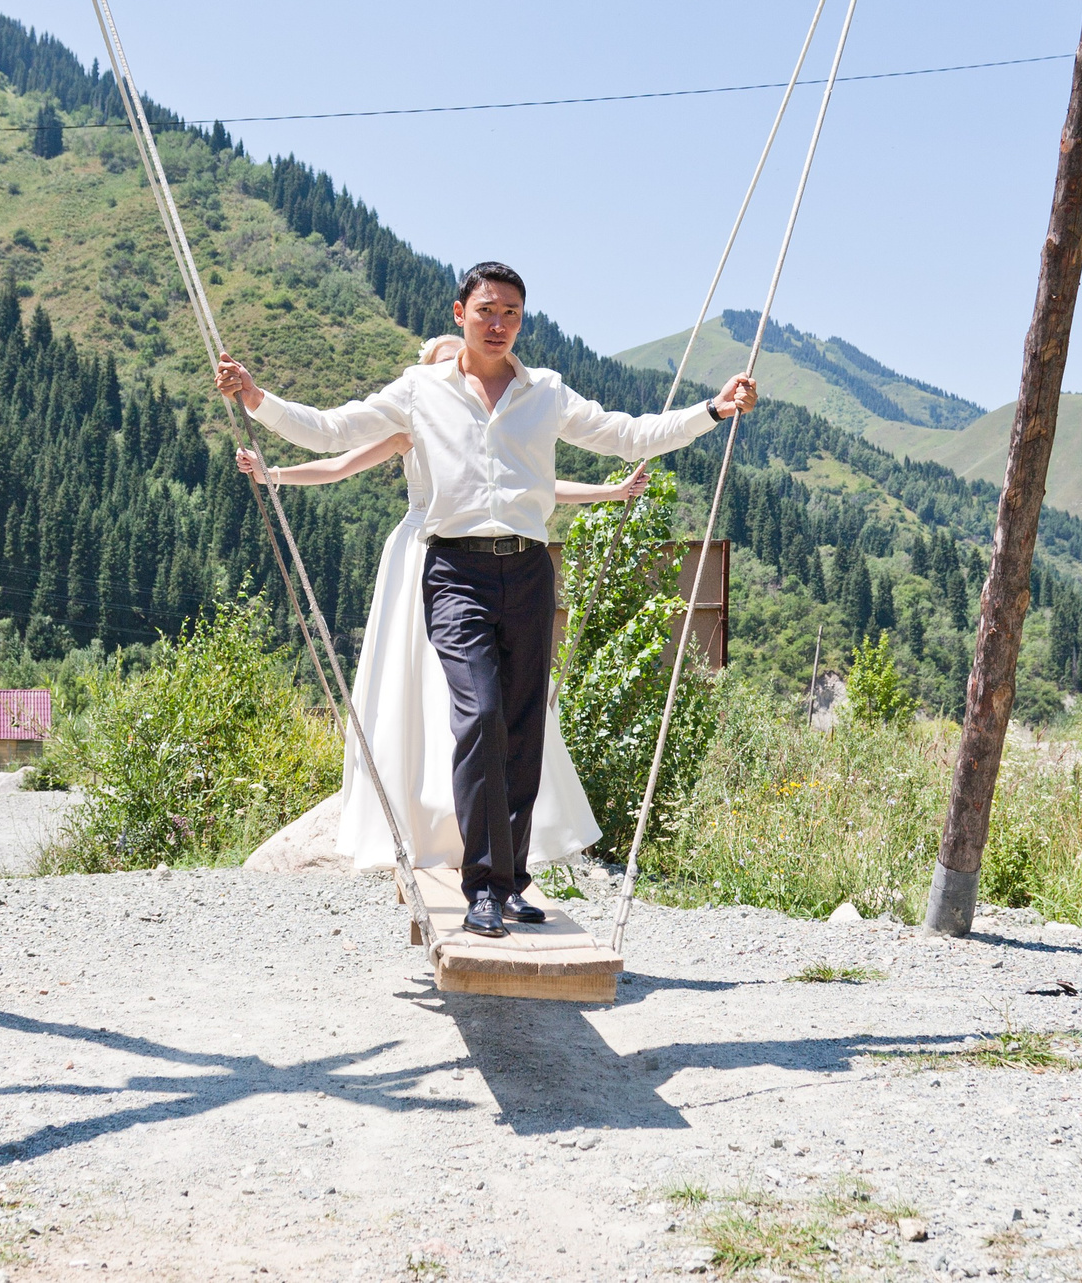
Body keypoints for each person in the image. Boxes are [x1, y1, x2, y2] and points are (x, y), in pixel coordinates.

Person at [216, 261, 756, 937]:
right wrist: (256, 396)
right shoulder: (419, 391)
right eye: (487, 311)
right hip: (454, 570)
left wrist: (713, 410)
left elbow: (627, 434)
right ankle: (481, 887)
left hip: (529, 570)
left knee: (524, 729)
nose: (499, 325)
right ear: (458, 313)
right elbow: (331, 432)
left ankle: (510, 877)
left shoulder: (547, 392)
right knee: (480, 717)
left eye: (512, 314)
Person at [235, 334, 649, 883]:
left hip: (484, 560)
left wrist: (608, 491)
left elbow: (536, 487)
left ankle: (481, 834)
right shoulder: (412, 421)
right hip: (424, 556)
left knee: (479, 699)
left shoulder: (499, 414)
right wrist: (274, 474)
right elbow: (336, 461)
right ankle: (428, 819)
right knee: (428, 690)